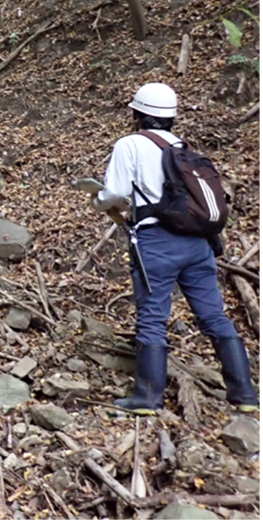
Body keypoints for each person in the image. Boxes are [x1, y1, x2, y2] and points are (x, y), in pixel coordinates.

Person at [94, 82, 258, 414]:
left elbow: (114, 193)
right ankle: (245, 397)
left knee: (153, 316)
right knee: (214, 315)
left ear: (137, 113)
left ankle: (147, 398)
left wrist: (98, 199)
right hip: (198, 244)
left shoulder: (130, 144)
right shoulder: (184, 147)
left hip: (157, 244)